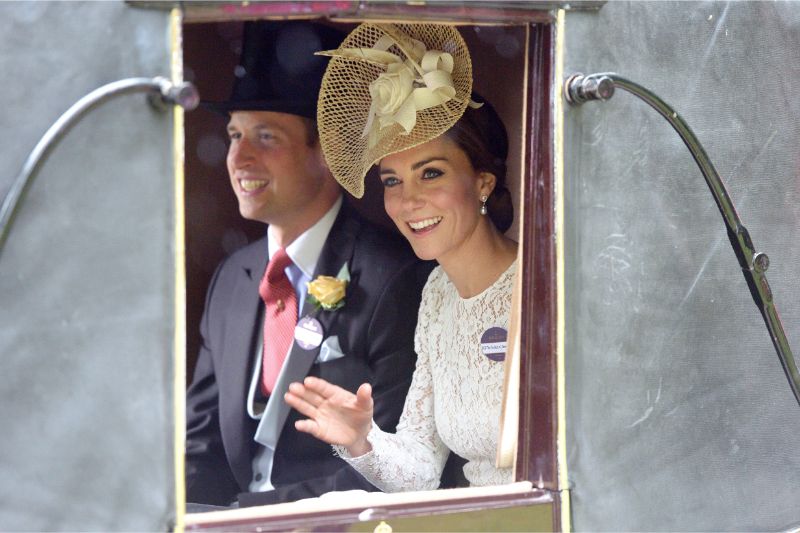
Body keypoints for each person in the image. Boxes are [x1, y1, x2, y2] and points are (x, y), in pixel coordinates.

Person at [185, 20, 431, 508]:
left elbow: (396, 465)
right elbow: (201, 444)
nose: (238, 157)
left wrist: (246, 517)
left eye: (265, 136)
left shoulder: (395, 276)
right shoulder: (233, 277)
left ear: (327, 152)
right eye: (234, 135)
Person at [284, 22, 518, 491]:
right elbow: (421, 471)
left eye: (430, 173)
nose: (407, 201)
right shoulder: (437, 293)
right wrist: (361, 440)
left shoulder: (544, 283)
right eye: (392, 181)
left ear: (483, 184)